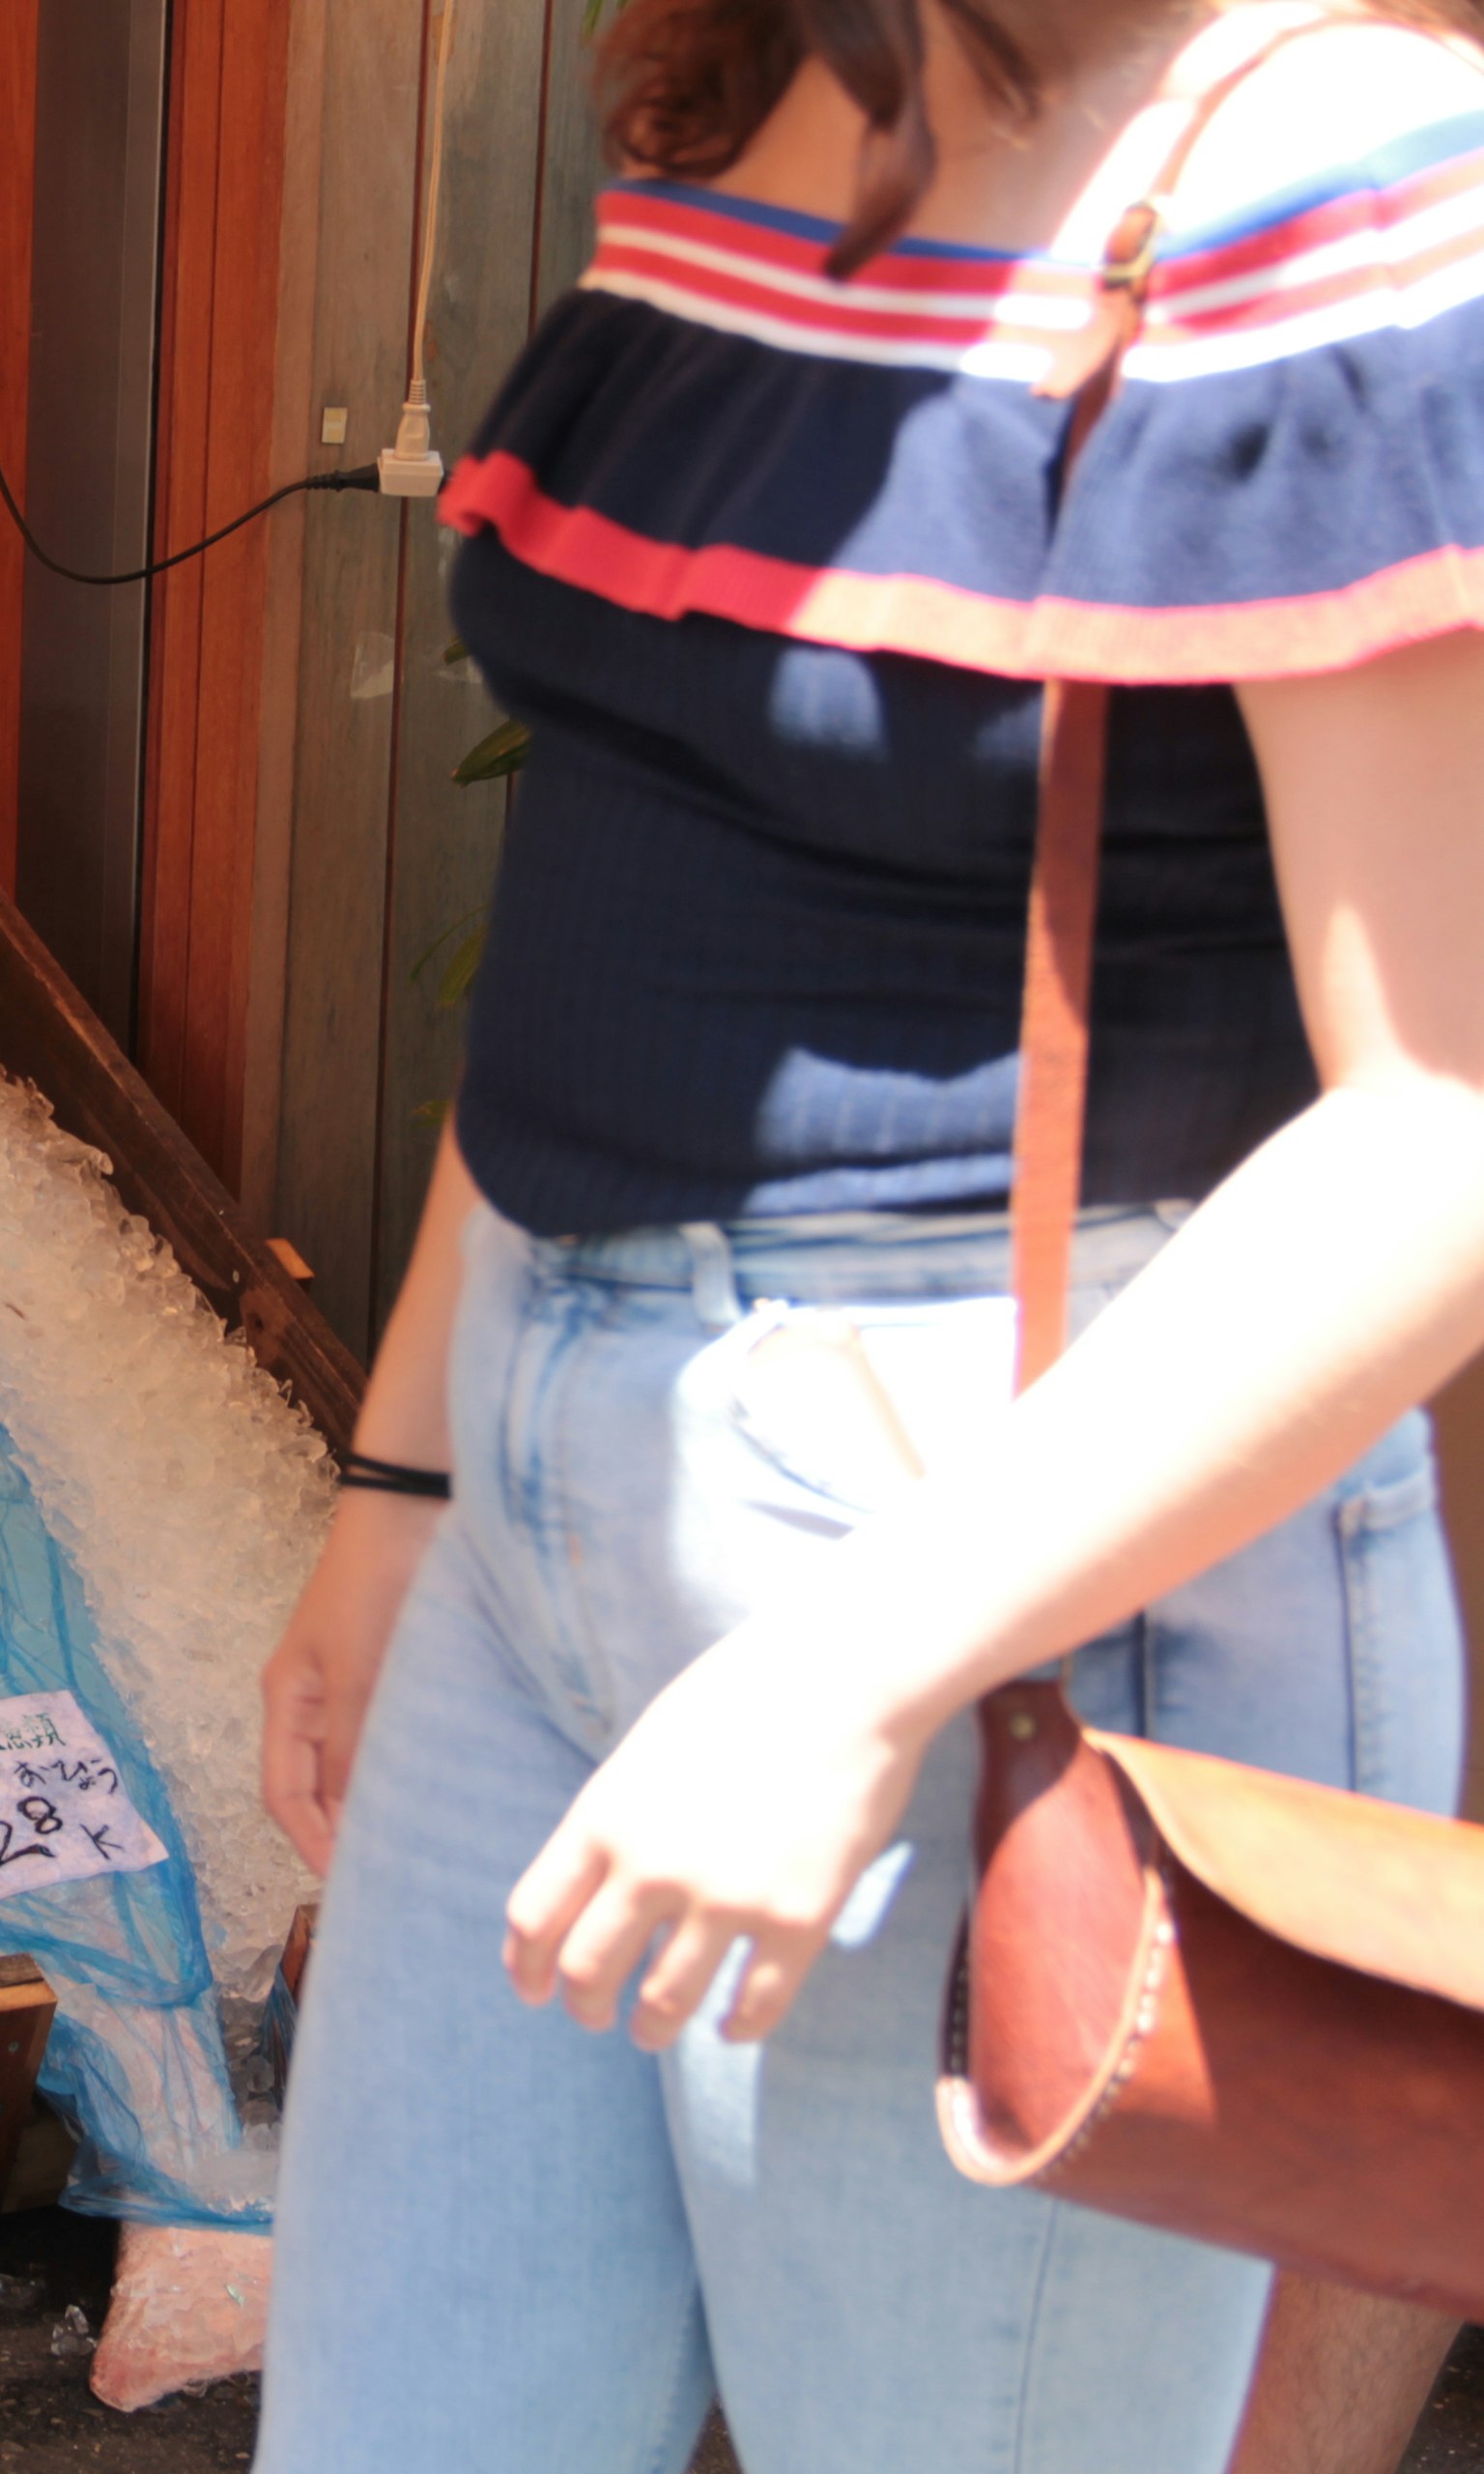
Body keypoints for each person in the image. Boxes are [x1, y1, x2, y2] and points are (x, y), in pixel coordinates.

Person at [248, 0, 1484, 2462]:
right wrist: (401, 1483)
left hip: (1011, 1534)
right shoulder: (736, 97)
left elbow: (1434, 1124)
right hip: (539, 1468)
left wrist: (850, 1671)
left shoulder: (1337, 159)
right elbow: (614, 873)